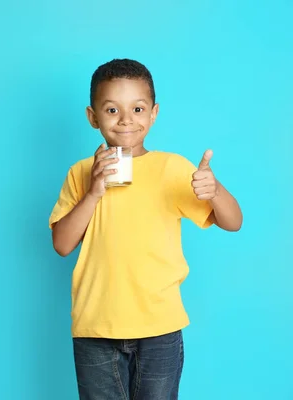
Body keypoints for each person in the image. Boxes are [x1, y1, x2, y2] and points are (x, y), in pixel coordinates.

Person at [48, 59, 243, 400]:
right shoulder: (81, 172)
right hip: (96, 327)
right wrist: (93, 191)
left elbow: (233, 222)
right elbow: (62, 244)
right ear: (93, 117)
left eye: (137, 109)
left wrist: (216, 190)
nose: (126, 120)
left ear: (153, 114)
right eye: (111, 109)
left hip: (159, 327)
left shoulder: (172, 168)